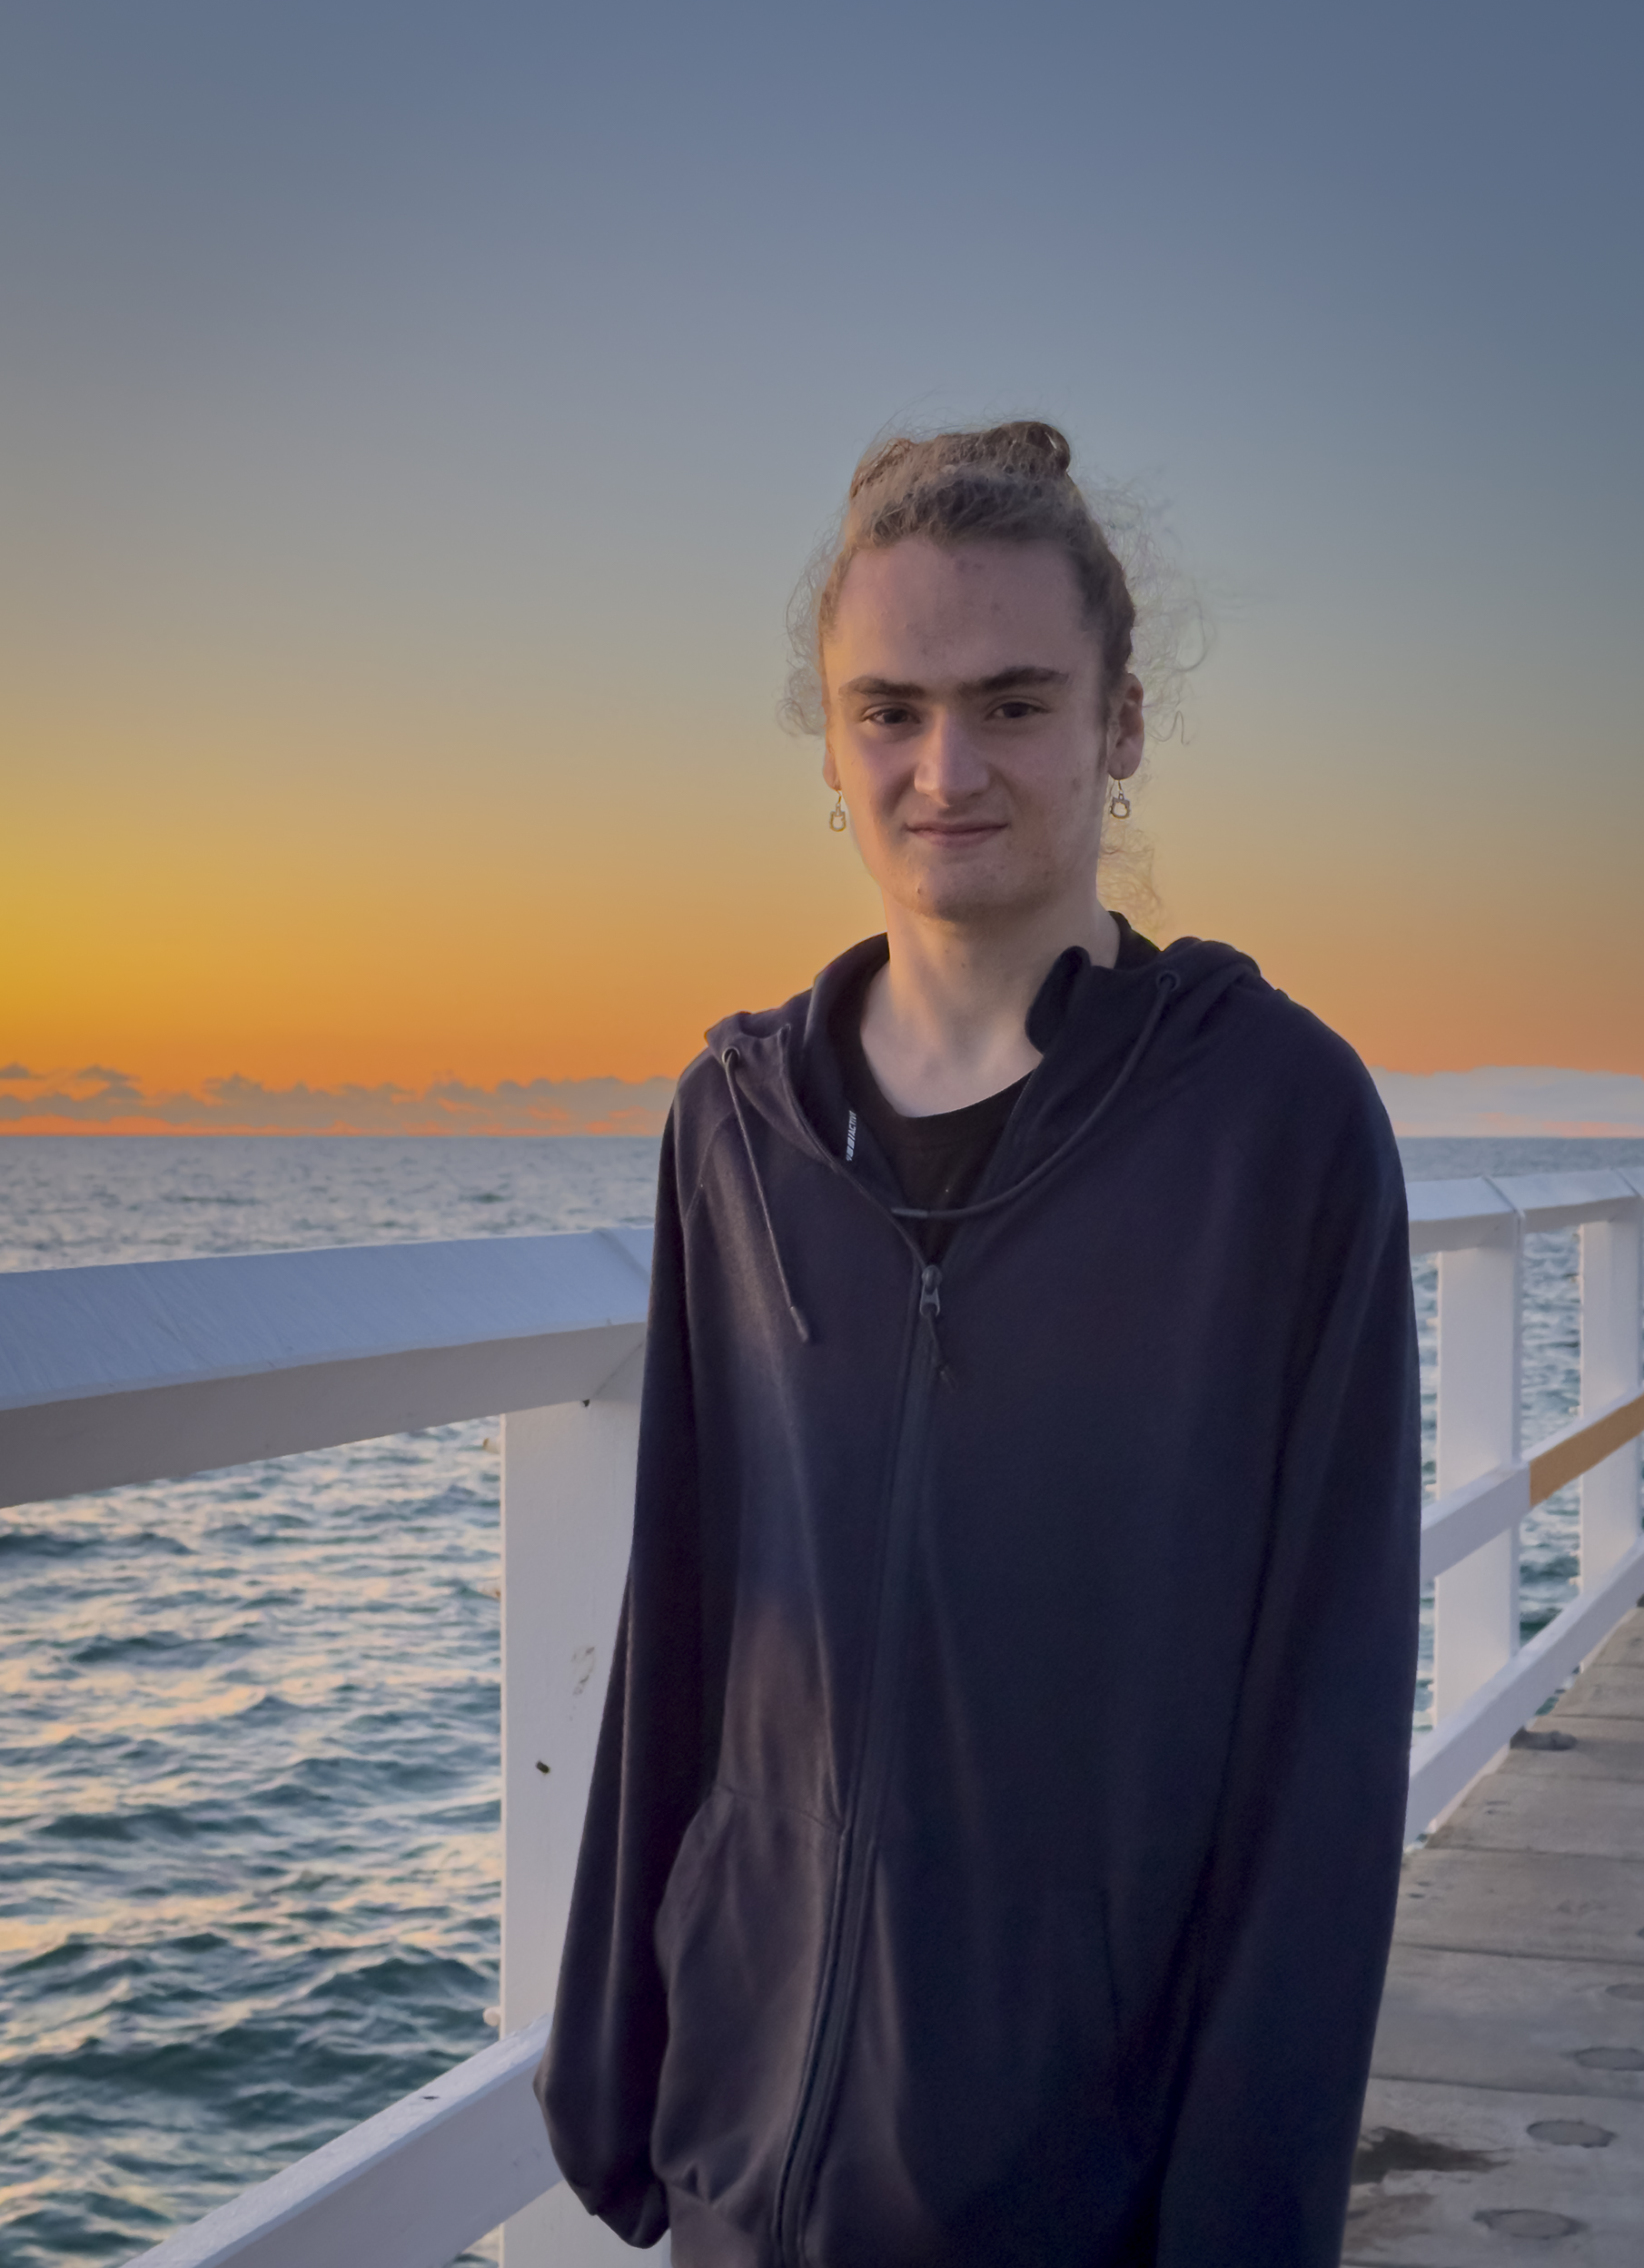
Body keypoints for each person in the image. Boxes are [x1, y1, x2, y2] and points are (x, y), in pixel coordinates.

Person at [536, 421, 1421, 2266]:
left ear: (1123, 721)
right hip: (745, 2159)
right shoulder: (739, 1125)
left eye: (1016, 702)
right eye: (890, 710)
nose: (947, 766)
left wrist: (1241, 2221)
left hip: (1077, 2184)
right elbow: (686, 1603)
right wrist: (621, 2077)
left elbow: (1324, 1725)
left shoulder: (1277, 1127)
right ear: (832, 739)